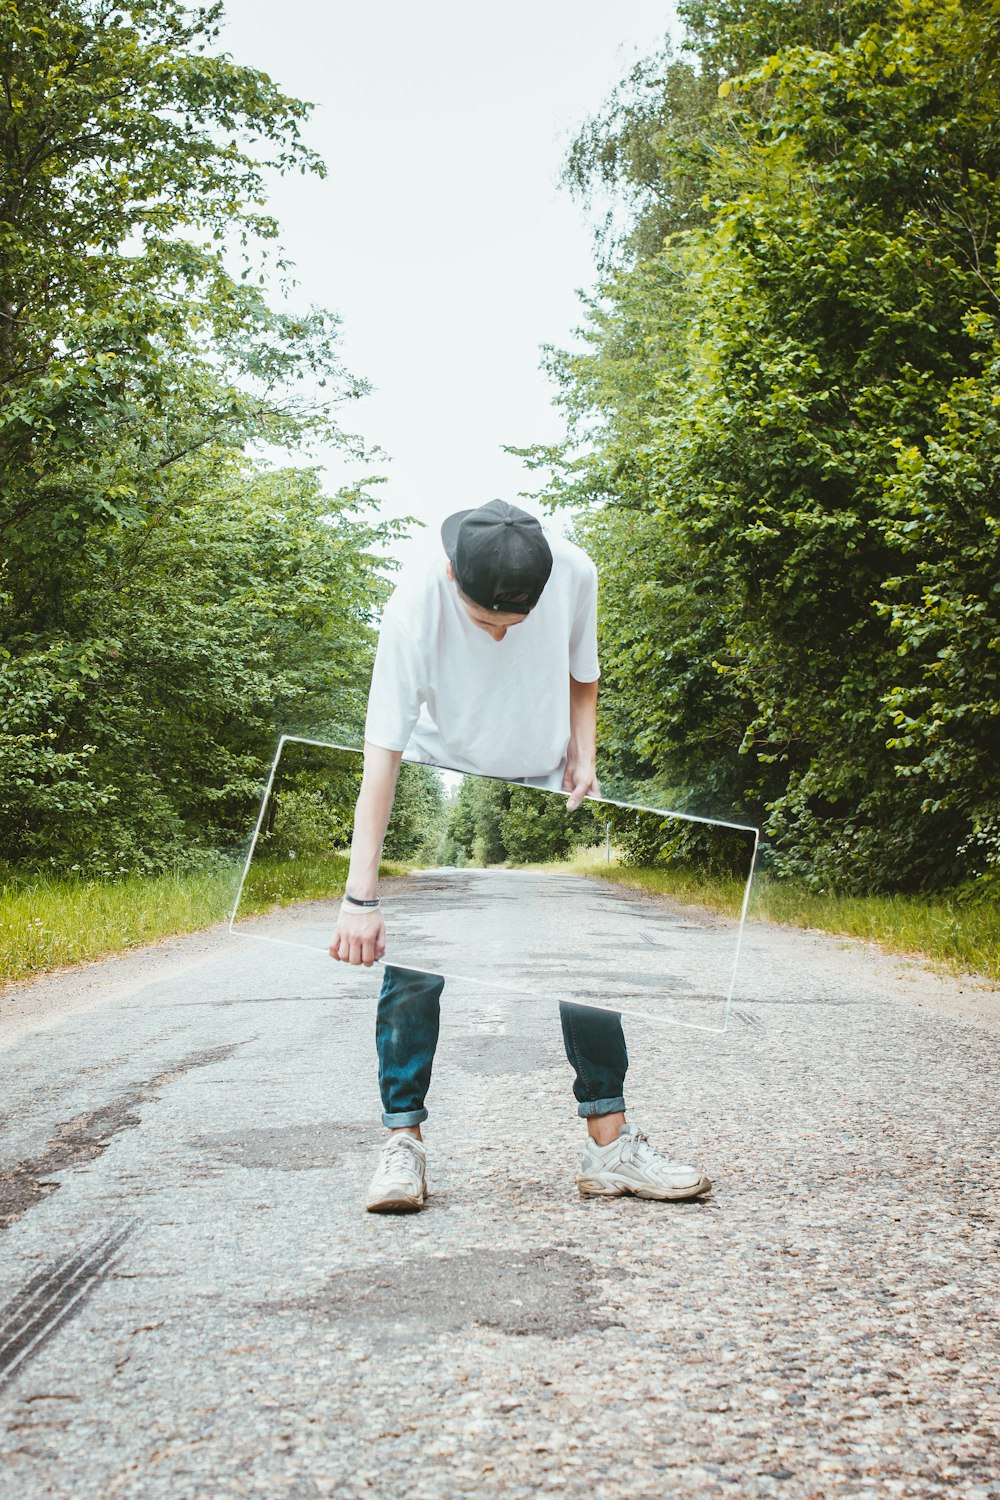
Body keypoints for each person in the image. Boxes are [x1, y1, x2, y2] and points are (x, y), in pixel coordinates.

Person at [330, 499, 711, 1213]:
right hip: (441, 760)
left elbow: (584, 672)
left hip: (542, 773)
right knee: (417, 970)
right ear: (452, 576)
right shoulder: (413, 605)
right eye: (485, 623)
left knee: (580, 958)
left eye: (517, 623)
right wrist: (361, 899)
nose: (502, 638)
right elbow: (378, 759)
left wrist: (585, 757)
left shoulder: (575, 570)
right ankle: (403, 1146)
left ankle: (610, 1148)